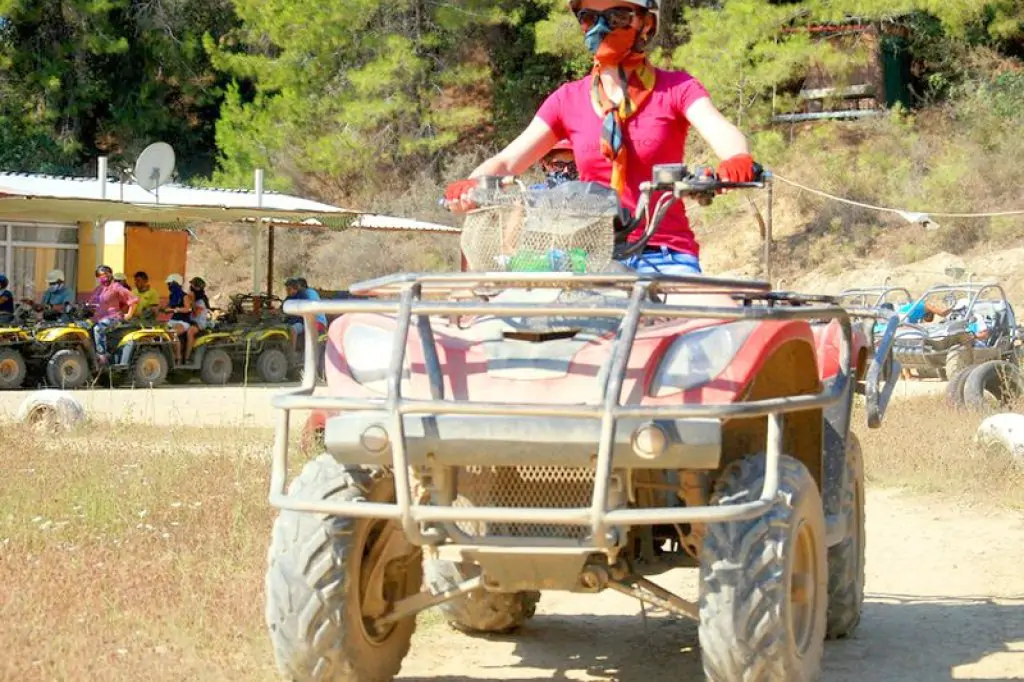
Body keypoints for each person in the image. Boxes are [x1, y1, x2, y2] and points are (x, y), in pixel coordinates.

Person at [443, 0, 756, 276]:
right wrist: (471, 185)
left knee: (704, 328)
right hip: (588, 256)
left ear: (645, 22)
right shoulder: (568, 99)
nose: (601, 27)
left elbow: (720, 129)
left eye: (617, 16)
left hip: (664, 254)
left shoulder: (676, 88)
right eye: (589, 17)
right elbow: (509, 159)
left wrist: (736, 159)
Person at [88, 264, 139, 365]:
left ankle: (102, 355)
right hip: (98, 317)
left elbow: (133, 300)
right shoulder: (99, 289)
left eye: (105, 275)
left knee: (98, 329)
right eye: (100, 276)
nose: (103, 278)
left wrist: (128, 315)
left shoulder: (116, 287)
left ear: (111, 275)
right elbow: (90, 302)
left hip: (113, 317)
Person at [284, 277, 328, 353]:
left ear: (301, 286)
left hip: (315, 321)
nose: (296, 288)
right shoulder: (296, 295)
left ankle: (291, 354)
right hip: (305, 321)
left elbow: (308, 309)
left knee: (293, 329)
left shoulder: (308, 293)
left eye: (296, 286)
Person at [183, 277, 211, 363]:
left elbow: (196, 313)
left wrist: (193, 300)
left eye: (192, 285)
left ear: (198, 288)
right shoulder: (190, 296)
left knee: (190, 332)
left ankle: (187, 358)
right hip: (190, 321)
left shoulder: (201, 300)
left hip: (198, 323)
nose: (190, 287)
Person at [165, 273, 191, 362]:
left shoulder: (184, 296)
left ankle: (177, 358)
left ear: (175, 283)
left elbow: (187, 309)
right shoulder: (172, 296)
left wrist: (175, 310)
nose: (168, 286)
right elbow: (168, 306)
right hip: (173, 320)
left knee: (173, 333)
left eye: (169, 284)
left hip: (183, 321)